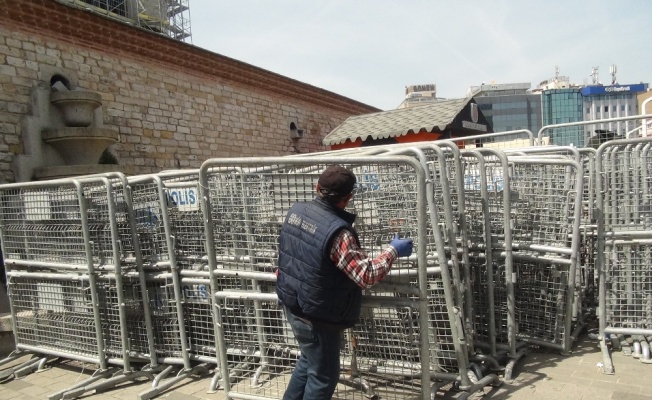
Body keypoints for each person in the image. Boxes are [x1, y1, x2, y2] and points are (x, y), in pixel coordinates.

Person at [276, 164, 413, 400]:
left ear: (316, 187)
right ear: (348, 198)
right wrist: (392, 251)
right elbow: (365, 275)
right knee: (323, 377)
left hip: (294, 303)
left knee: (308, 362)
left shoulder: (296, 211)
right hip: (317, 316)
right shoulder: (339, 232)